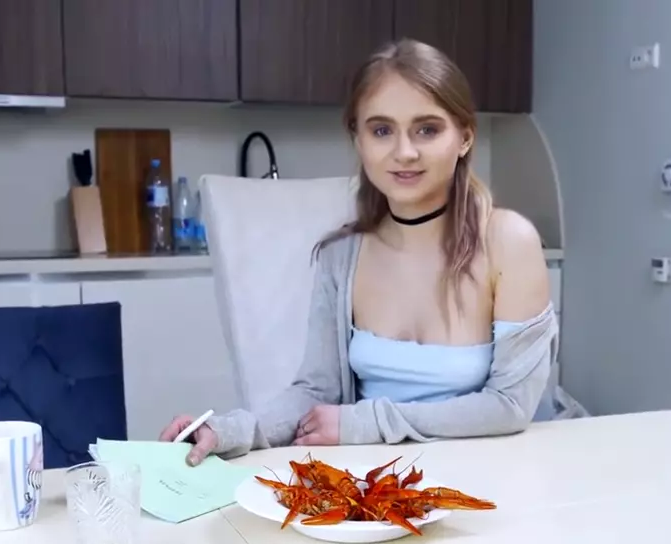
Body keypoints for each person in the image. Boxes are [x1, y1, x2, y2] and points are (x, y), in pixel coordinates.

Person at [160, 38, 563, 466]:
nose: (404, 152)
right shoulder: (341, 256)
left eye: (427, 129)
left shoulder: (508, 242)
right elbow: (316, 392)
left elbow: (510, 406)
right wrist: (231, 430)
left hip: (502, 479)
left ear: (464, 137)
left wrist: (365, 422)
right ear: (358, 139)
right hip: (382, 486)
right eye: (382, 130)